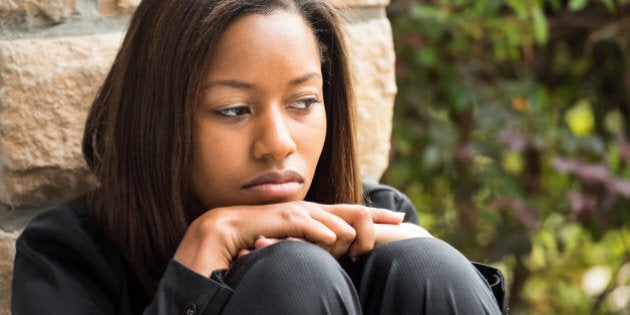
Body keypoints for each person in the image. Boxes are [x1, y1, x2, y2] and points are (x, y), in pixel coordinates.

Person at [11, 0, 506, 314]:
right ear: (158, 117)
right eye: (232, 109)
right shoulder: (70, 252)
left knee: (426, 262)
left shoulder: (377, 224)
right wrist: (203, 255)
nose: (278, 143)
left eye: (304, 102)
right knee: (293, 272)